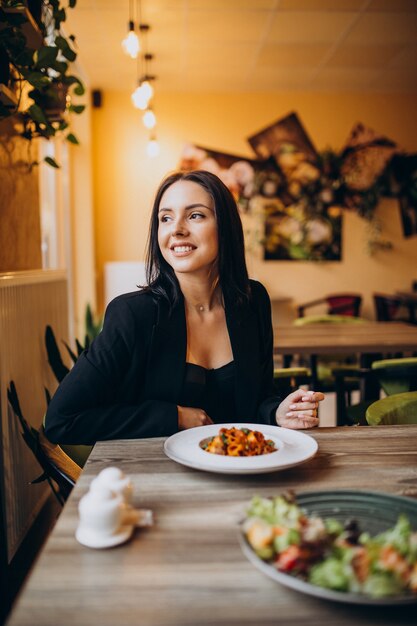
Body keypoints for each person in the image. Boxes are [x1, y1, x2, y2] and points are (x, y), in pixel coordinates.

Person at [45, 170, 324, 445]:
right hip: (157, 480)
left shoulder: (252, 301)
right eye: (165, 218)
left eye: (195, 215)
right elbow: (62, 420)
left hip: (240, 472)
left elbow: (257, 398)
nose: (176, 229)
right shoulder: (133, 315)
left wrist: (278, 412)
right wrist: (173, 417)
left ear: (225, 227)